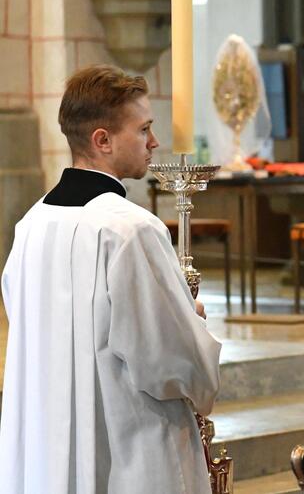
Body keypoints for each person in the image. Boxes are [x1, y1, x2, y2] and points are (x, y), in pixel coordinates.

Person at [0, 65, 222, 494]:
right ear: (102, 140)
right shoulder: (129, 229)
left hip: (45, 448)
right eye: (143, 129)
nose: (153, 142)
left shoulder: (31, 224)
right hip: (126, 453)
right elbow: (170, 360)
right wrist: (191, 320)